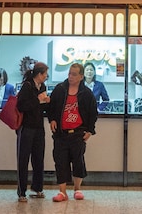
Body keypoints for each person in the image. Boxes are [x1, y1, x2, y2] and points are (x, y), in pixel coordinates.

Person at [48, 63, 98, 202]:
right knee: (60, 161)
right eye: (69, 73)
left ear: (81, 77)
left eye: (74, 74)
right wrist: (52, 119)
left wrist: (90, 131)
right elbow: (51, 107)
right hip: (61, 134)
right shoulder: (60, 89)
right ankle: (62, 192)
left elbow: (93, 113)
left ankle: (77, 189)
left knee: (78, 161)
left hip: (78, 133)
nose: (70, 76)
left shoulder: (86, 93)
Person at [15, 62, 51, 202]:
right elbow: (22, 106)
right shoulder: (27, 86)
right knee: (23, 159)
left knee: (38, 158)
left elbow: (41, 107)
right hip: (26, 127)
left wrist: (46, 102)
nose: (46, 77)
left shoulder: (42, 87)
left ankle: (38, 188)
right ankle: (21, 191)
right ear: (39, 74)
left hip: (38, 127)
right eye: (45, 74)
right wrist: (38, 100)